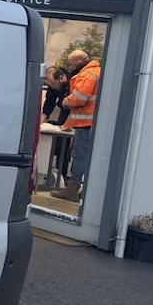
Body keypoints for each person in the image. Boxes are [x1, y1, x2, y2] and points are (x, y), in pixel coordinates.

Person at [54, 49, 101, 203]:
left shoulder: (87, 75)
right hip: (92, 122)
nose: (70, 66)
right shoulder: (98, 72)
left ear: (78, 62)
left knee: (80, 155)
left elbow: (79, 99)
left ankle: (72, 189)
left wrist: (65, 101)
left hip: (86, 123)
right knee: (89, 156)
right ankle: (84, 189)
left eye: (71, 63)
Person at [42, 66, 73, 185]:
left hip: (73, 114)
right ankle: (56, 175)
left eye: (54, 85)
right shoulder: (54, 85)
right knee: (59, 143)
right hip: (63, 114)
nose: (53, 88)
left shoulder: (73, 82)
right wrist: (43, 116)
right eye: (50, 86)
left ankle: (64, 177)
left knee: (65, 146)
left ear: (62, 77)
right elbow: (50, 101)